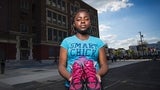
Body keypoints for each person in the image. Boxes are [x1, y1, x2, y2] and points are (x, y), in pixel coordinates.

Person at [58, 9, 108, 90]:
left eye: (86, 19)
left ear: (90, 23)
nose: (83, 21)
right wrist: (70, 77)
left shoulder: (98, 42)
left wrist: (98, 74)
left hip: (94, 84)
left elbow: (104, 65)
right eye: (78, 19)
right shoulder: (66, 41)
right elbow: (61, 65)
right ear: (74, 24)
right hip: (72, 84)